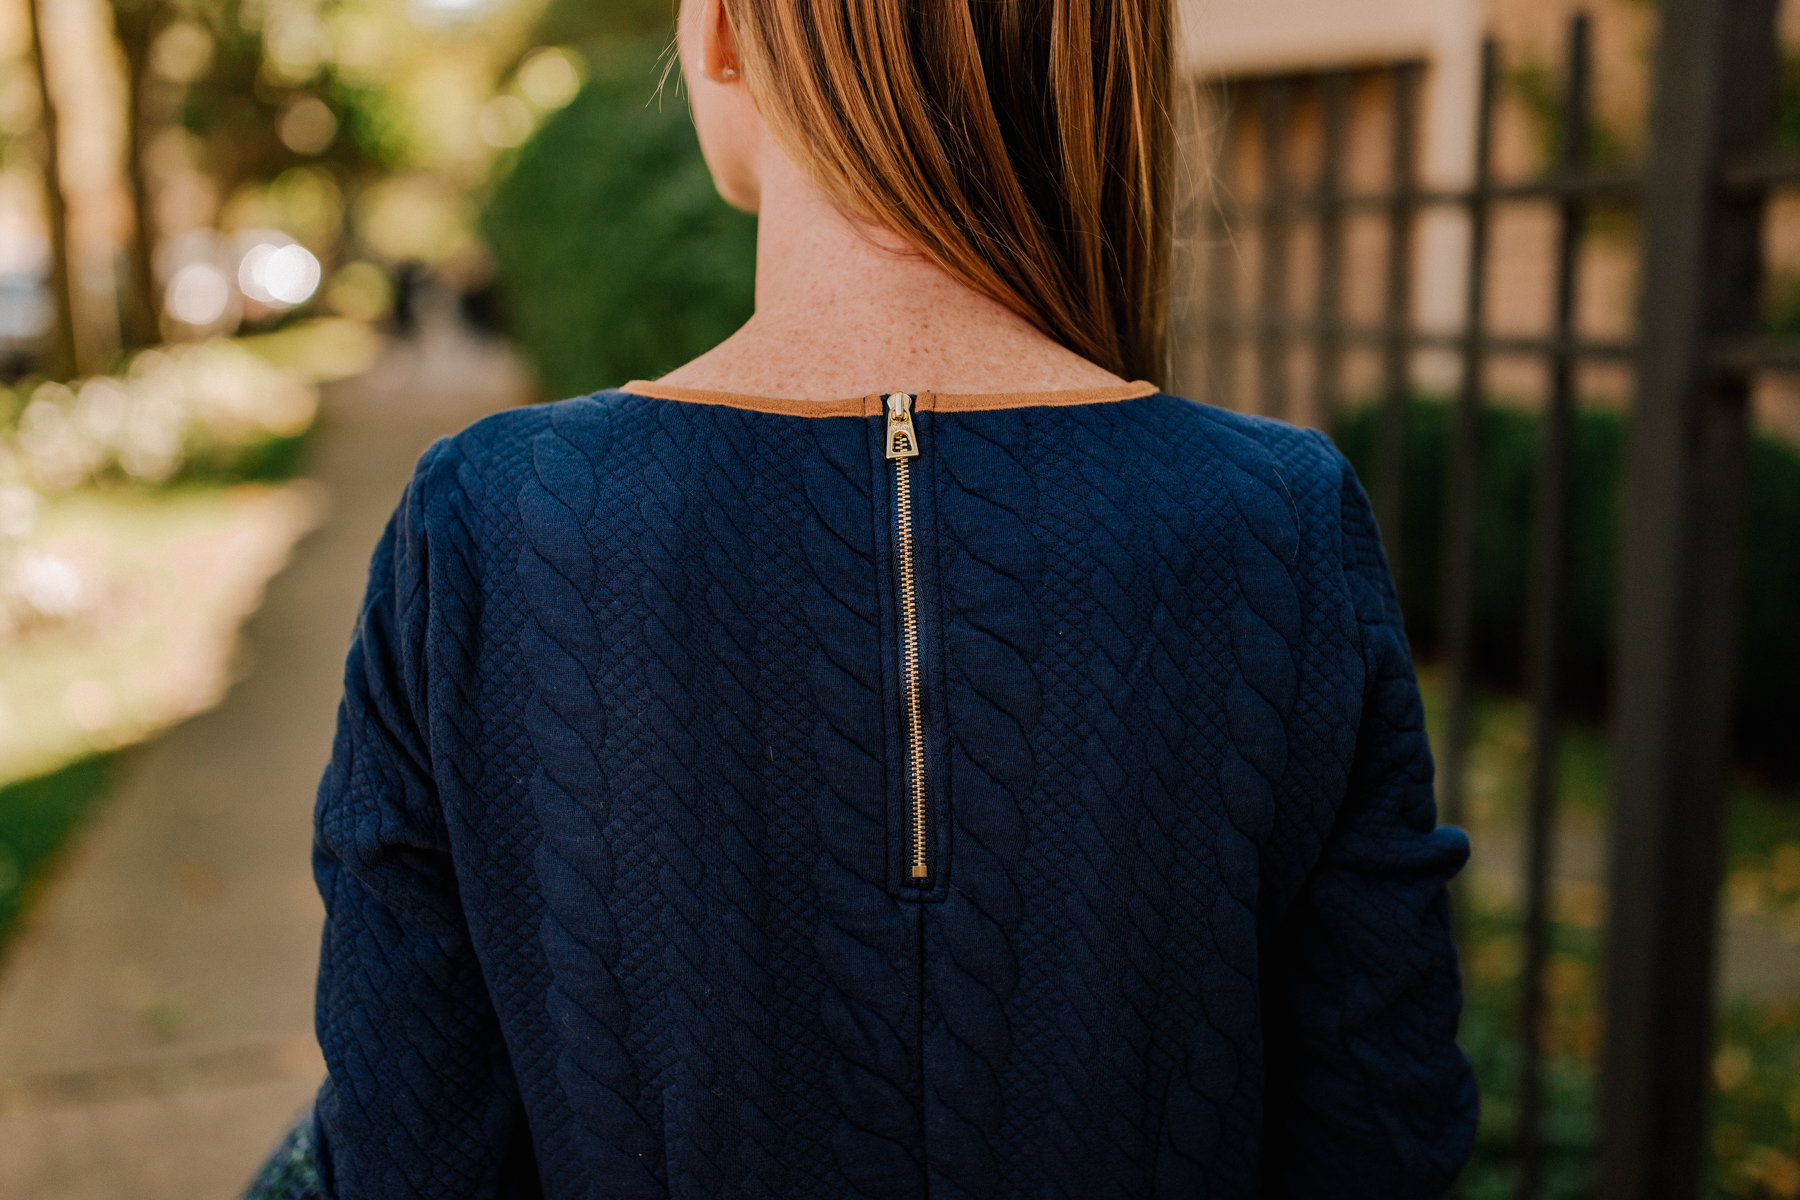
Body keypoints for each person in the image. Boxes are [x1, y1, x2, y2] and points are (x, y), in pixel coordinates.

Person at [249, 0, 1477, 1195]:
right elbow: (1385, 1133)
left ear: (727, 28)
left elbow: (402, 1155)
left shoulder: (486, 523)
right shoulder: (1277, 522)